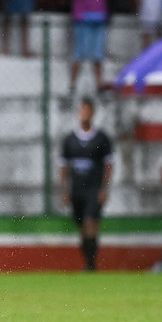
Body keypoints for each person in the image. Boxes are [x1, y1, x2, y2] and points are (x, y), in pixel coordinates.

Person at [59, 97, 113, 271]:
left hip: (94, 189)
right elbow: (64, 166)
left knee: (91, 223)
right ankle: (88, 260)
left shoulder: (102, 138)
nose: (85, 114)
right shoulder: (70, 140)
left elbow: (108, 164)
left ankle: (91, 264)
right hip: (76, 190)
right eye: (82, 111)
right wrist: (65, 190)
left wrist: (104, 188)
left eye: (88, 111)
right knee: (82, 226)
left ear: (93, 113)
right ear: (78, 113)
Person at [69, 0, 111, 94]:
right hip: (81, 16)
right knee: (78, 52)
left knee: (98, 53)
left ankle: (99, 84)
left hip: (98, 16)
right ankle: (72, 85)